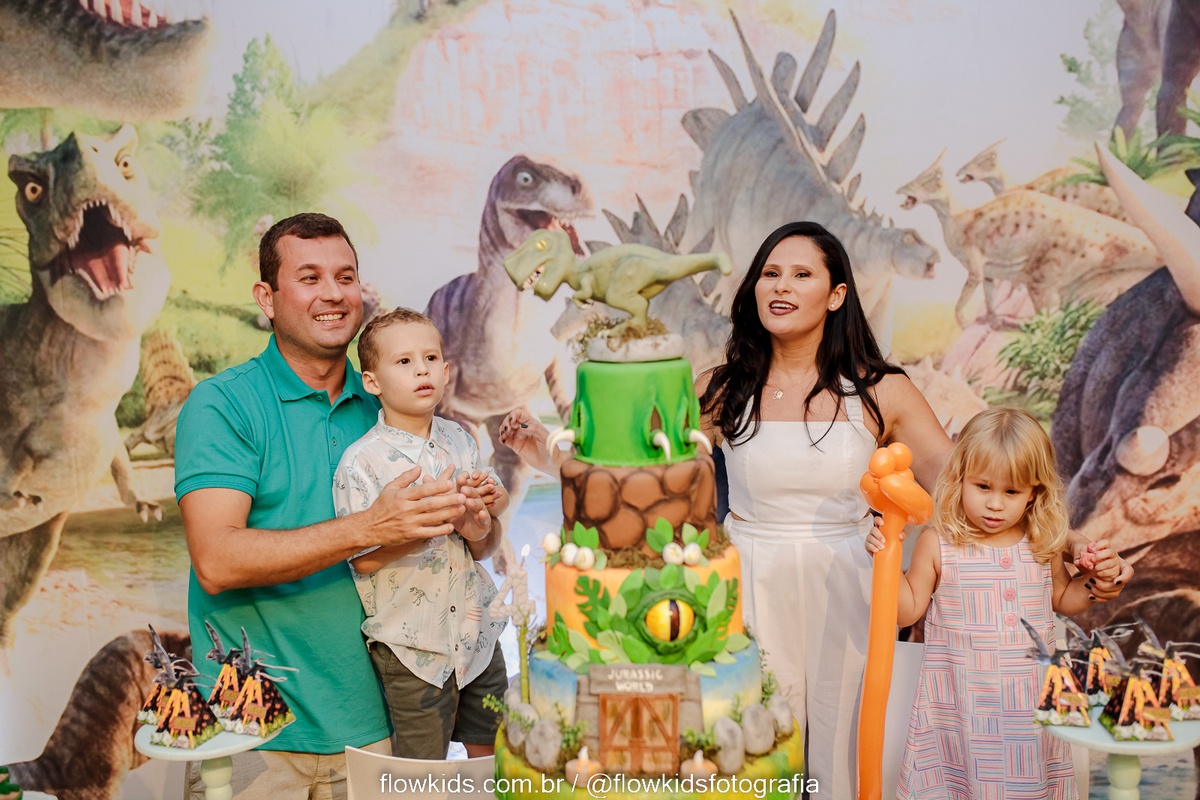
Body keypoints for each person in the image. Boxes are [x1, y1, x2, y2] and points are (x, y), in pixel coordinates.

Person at [497, 221, 1131, 797]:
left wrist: (1073, 544)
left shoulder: (883, 390)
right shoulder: (723, 387)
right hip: (747, 586)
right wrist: (540, 447)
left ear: (836, 295)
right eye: (770, 273)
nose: (781, 285)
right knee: (753, 757)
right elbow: (633, 470)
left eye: (802, 274)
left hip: (850, 586)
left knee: (842, 763)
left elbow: (961, 485)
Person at [176, 214, 471, 799]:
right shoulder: (223, 404)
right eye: (309, 277)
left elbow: (460, 550)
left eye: (346, 277)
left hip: (379, 727)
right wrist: (369, 526)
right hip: (250, 730)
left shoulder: (396, 409)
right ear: (267, 297)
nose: (333, 294)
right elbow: (216, 559)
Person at [865, 407, 1126, 798]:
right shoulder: (938, 543)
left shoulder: (1040, 543)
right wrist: (884, 563)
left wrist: (1095, 582)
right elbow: (907, 611)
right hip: (958, 711)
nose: (995, 504)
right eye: (983, 487)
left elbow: (1062, 598)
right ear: (960, 478)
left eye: (1011, 492)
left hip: (1028, 712)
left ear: (1034, 492)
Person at [333, 307, 508, 759]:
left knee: (495, 759)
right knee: (420, 773)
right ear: (372, 382)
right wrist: (422, 526)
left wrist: (479, 510)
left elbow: (489, 520)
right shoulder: (361, 461)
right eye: (404, 361)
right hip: (413, 649)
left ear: (446, 372)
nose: (421, 370)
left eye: (430, 358)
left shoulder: (461, 440)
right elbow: (361, 560)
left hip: (477, 633)